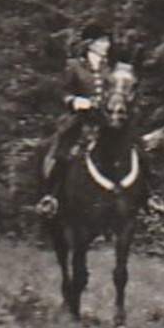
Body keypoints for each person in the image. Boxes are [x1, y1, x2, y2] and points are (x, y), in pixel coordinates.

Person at [36, 23, 114, 218]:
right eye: (103, 41)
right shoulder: (75, 66)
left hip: (106, 118)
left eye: (107, 41)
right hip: (81, 119)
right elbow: (63, 92)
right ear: (91, 44)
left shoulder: (110, 68)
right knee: (63, 151)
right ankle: (51, 196)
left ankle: (148, 194)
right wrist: (75, 101)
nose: (107, 45)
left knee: (133, 145)